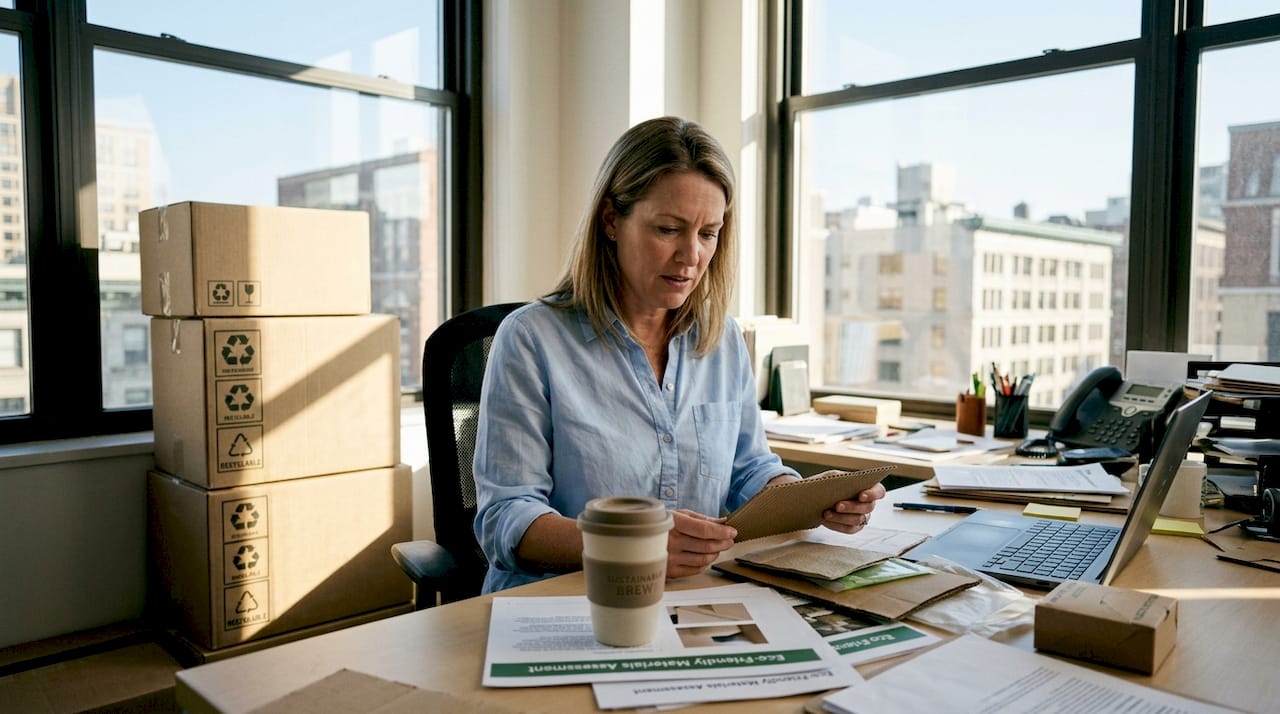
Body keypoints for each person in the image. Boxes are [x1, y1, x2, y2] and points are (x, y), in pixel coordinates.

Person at [472, 116, 886, 593]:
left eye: (708, 233)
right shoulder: (530, 340)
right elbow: (506, 519)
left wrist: (812, 498)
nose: (691, 256)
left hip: (692, 599)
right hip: (566, 600)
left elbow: (748, 469)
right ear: (611, 220)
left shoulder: (722, 338)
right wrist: (633, 543)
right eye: (669, 229)